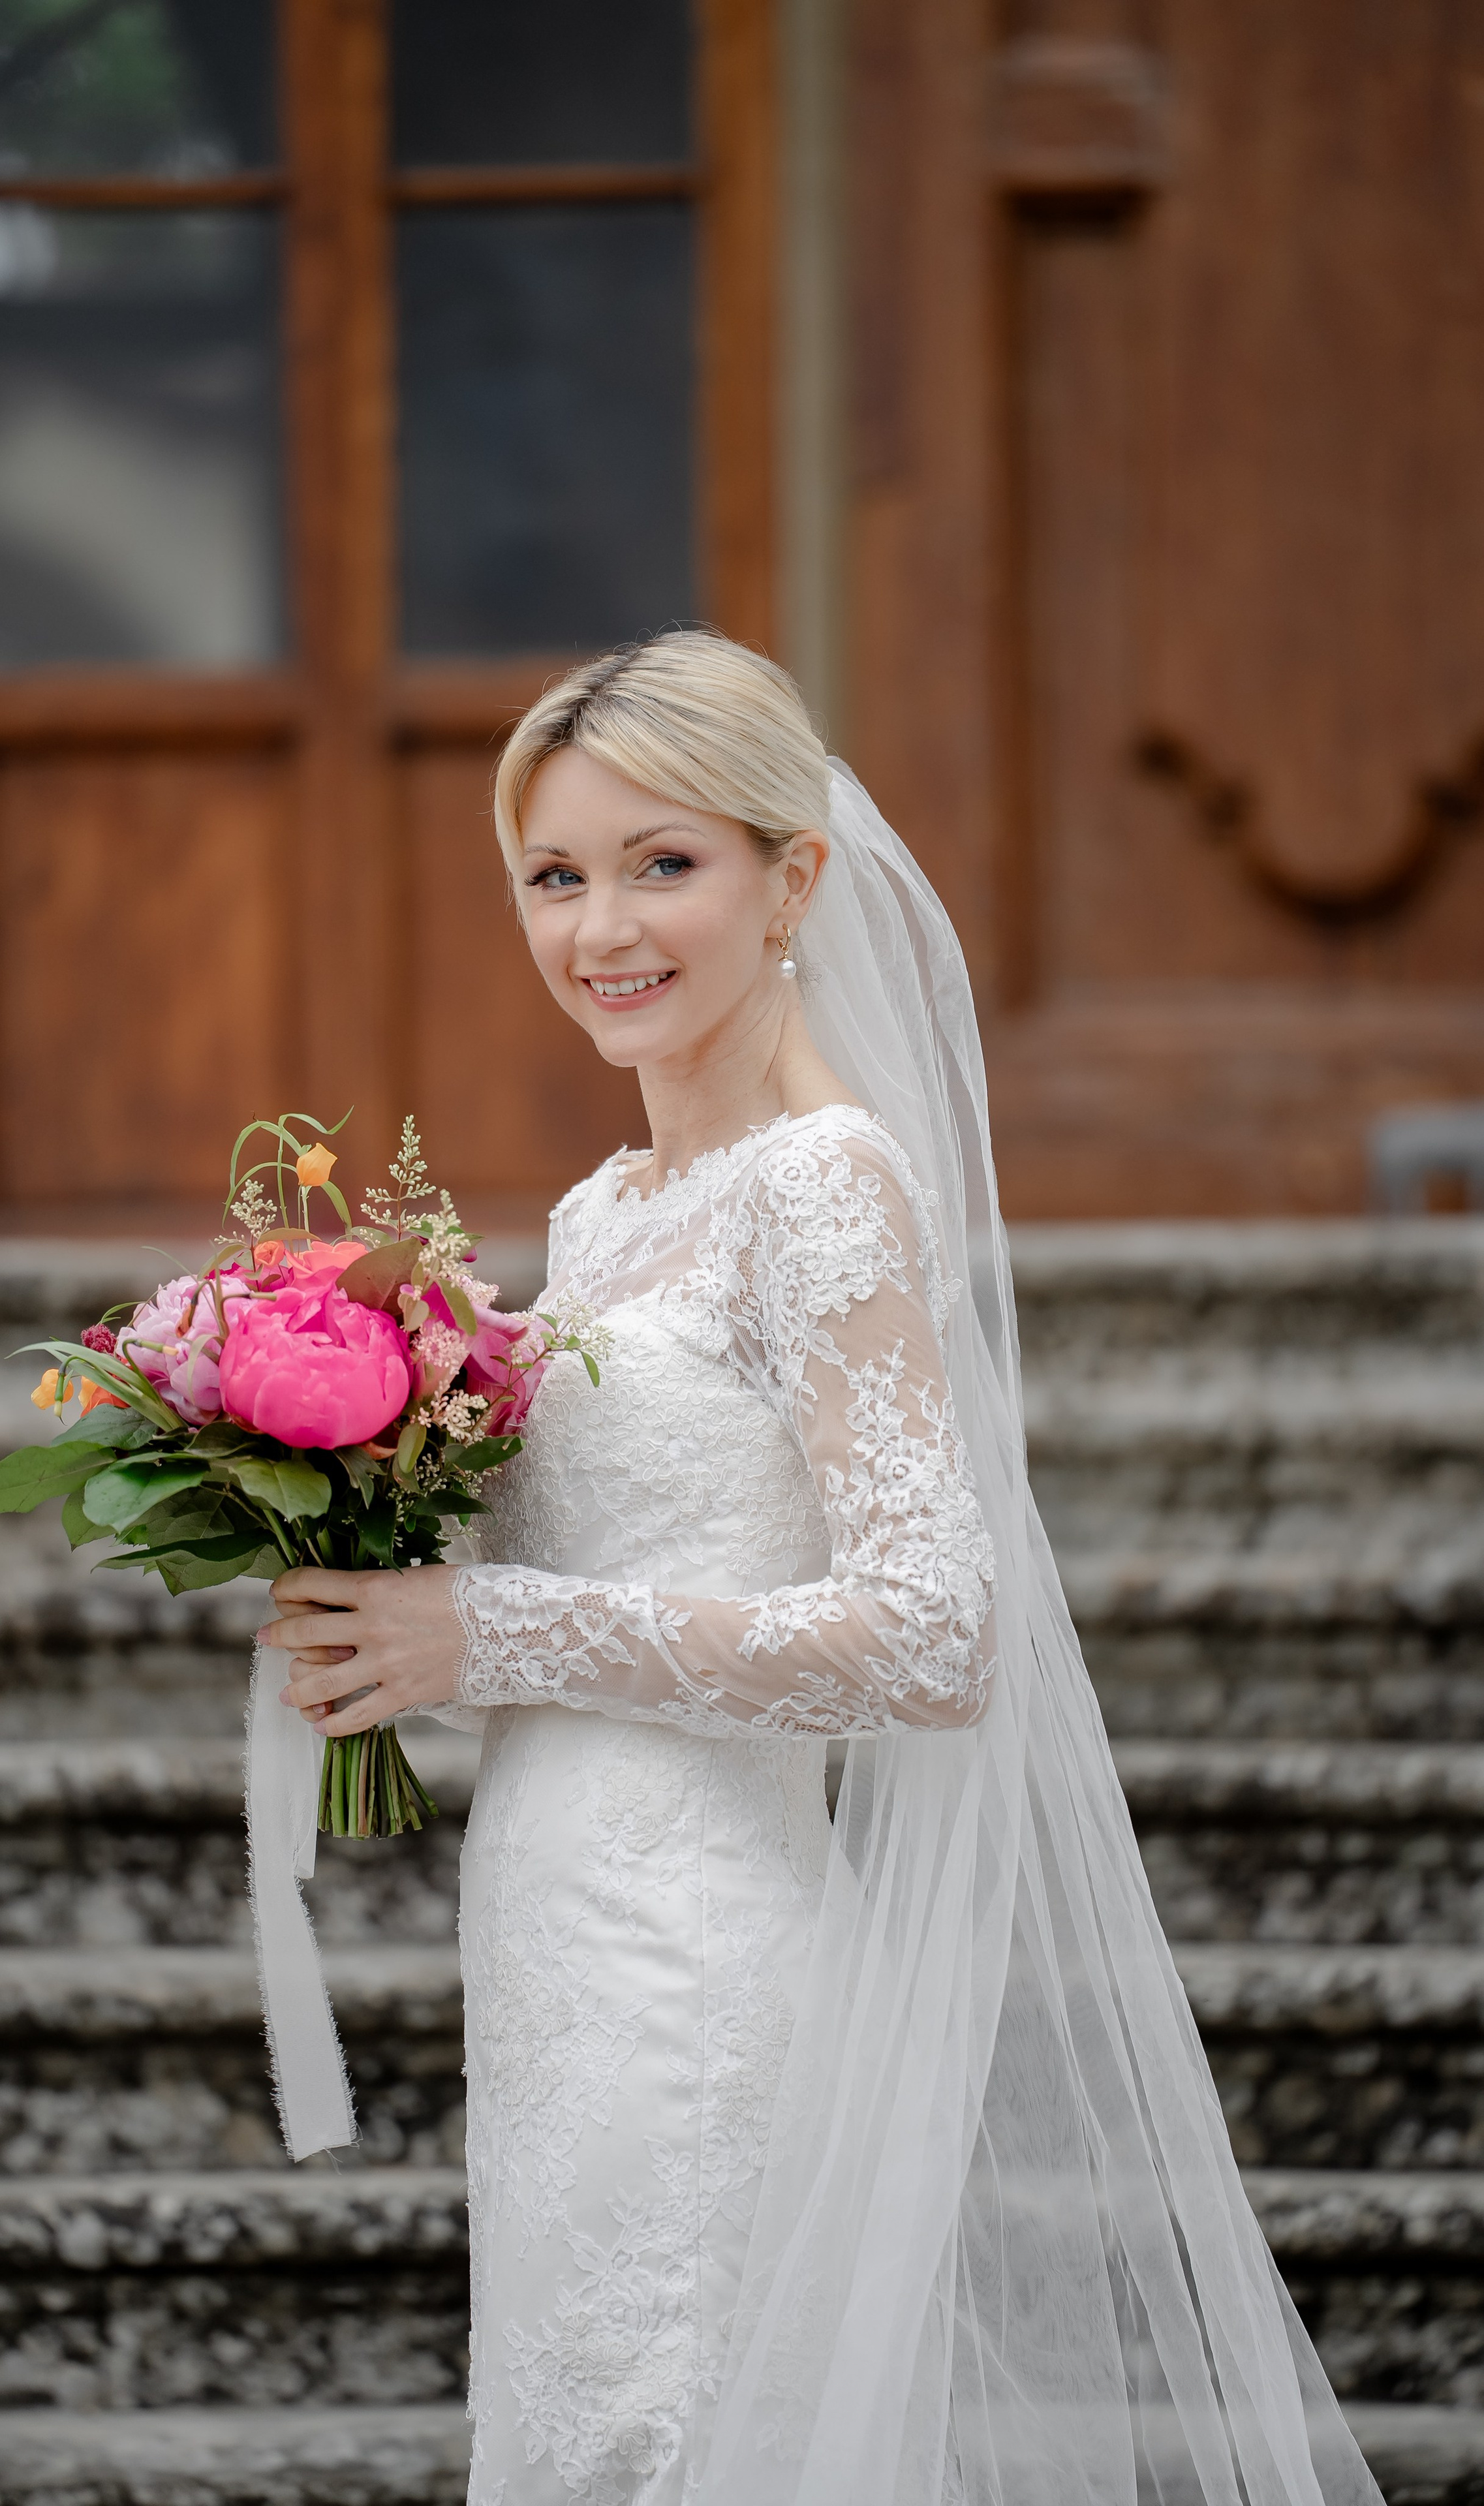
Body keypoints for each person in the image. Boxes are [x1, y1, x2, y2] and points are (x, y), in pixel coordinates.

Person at [257, 632, 1382, 2506]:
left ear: (796, 878)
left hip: (702, 1950)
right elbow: (627, 1534)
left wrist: (489, 1627)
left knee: (685, 2436)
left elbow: (936, 1633)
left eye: (662, 862)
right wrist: (349, 1505)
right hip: (550, 1934)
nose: (601, 925)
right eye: (555, 874)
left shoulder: (824, 1185)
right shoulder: (604, 1217)